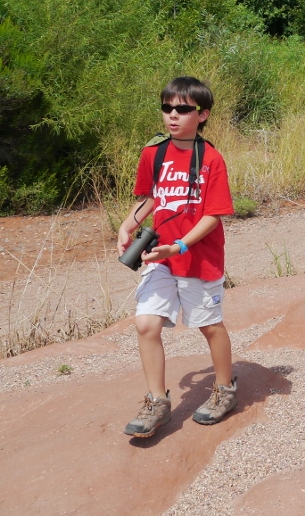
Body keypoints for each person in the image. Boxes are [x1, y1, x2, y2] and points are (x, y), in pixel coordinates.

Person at [117, 76, 236, 437]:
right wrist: (127, 225)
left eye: (183, 109)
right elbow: (150, 198)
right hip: (160, 256)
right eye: (167, 107)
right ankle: (157, 401)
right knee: (146, 324)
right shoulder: (152, 154)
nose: (173, 115)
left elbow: (214, 215)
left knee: (209, 325)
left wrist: (182, 244)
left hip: (197, 258)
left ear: (202, 115)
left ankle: (224, 390)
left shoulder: (211, 158)